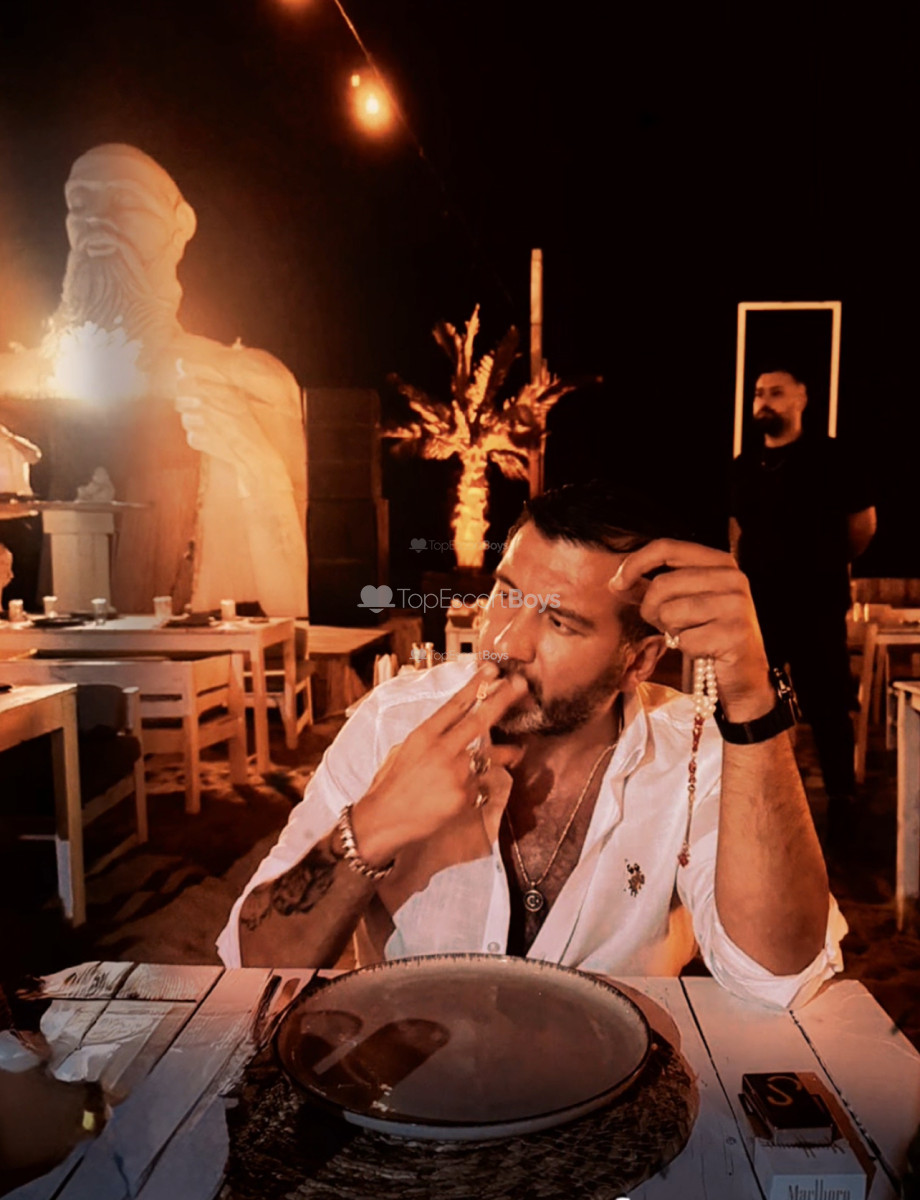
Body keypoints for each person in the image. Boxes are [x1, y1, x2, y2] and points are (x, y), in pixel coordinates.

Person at [219, 481, 845, 1009]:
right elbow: (253, 967)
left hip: (612, 1097)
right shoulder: (394, 723)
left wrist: (752, 701)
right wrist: (375, 825)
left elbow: (777, 976)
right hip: (409, 1089)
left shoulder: (693, 754)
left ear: (639, 660)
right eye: (508, 594)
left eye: (560, 621)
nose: (506, 642)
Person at [0, 143, 307, 616]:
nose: (96, 220)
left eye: (125, 202)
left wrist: (258, 467)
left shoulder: (243, 381)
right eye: (79, 203)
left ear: (179, 227)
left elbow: (293, 606)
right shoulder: (13, 379)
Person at [729, 368, 876, 833]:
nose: (764, 401)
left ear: (801, 399)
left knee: (828, 701)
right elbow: (737, 529)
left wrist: (825, 563)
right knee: (757, 697)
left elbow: (862, 526)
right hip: (760, 606)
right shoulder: (745, 464)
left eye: (776, 392)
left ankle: (841, 799)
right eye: (758, 393)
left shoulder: (832, 458)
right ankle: (758, 793)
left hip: (817, 603)